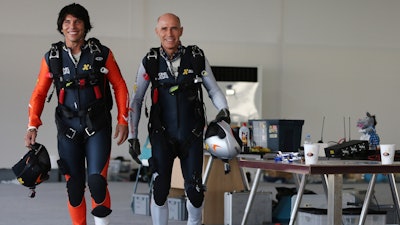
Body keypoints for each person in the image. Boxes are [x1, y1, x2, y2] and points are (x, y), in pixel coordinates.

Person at [24, 3, 129, 225]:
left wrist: (123, 120)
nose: (73, 26)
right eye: (67, 22)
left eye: (78, 21)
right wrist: (32, 126)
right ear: (61, 27)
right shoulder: (52, 57)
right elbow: (39, 93)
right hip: (68, 129)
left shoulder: (101, 54)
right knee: (74, 186)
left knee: (97, 182)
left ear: (85, 26)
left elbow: (119, 85)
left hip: (97, 126)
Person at [128, 13, 230, 225]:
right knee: (160, 190)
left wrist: (224, 113)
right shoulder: (150, 61)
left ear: (181, 30)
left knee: (194, 191)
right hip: (161, 136)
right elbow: (137, 100)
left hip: (191, 136)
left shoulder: (196, 57)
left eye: (174, 28)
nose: (169, 34)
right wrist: (133, 135)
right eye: (164, 29)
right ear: (157, 32)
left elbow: (214, 91)